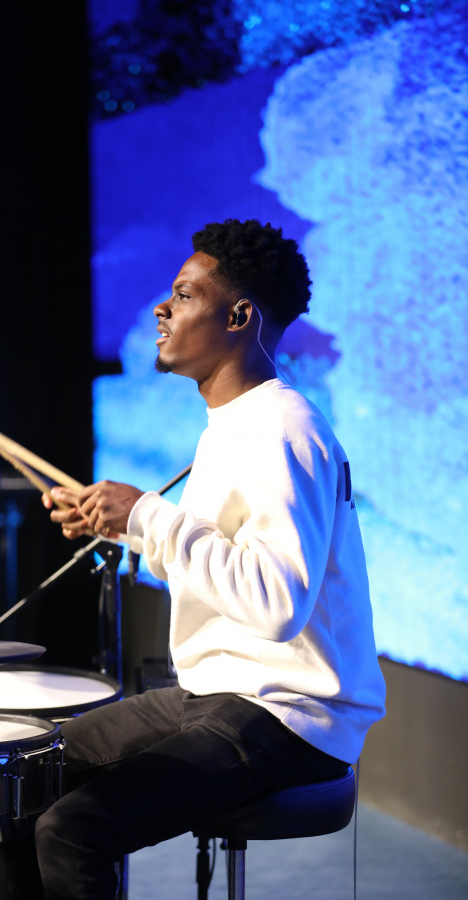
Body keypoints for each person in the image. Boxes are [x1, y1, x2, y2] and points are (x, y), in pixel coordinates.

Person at [35, 218, 386, 900]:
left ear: (239, 317)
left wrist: (149, 515)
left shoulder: (281, 429)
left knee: (74, 829)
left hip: (290, 714)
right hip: (222, 694)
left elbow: (276, 604)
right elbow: (219, 564)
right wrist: (126, 528)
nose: (162, 309)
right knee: (28, 772)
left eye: (184, 295)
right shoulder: (233, 425)